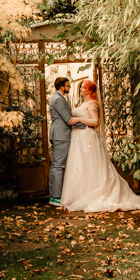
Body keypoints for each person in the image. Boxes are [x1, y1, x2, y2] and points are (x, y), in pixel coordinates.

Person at [60, 80, 140, 212]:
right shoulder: (82, 103)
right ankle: (78, 195)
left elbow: (95, 122)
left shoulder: (93, 104)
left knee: (90, 165)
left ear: (90, 90)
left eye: (83, 88)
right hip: (78, 138)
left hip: (87, 136)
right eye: (81, 88)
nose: (81, 90)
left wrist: (78, 119)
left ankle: (95, 192)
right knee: (79, 165)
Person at [48, 77, 84, 206]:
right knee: (58, 166)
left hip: (59, 134)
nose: (69, 88)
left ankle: (53, 196)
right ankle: (56, 197)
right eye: (68, 86)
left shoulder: (58, 97)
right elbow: (68, 119)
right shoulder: (58, 99)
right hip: (61, 135)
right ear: (62, 87)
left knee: (55, 165)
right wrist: (86, 126)